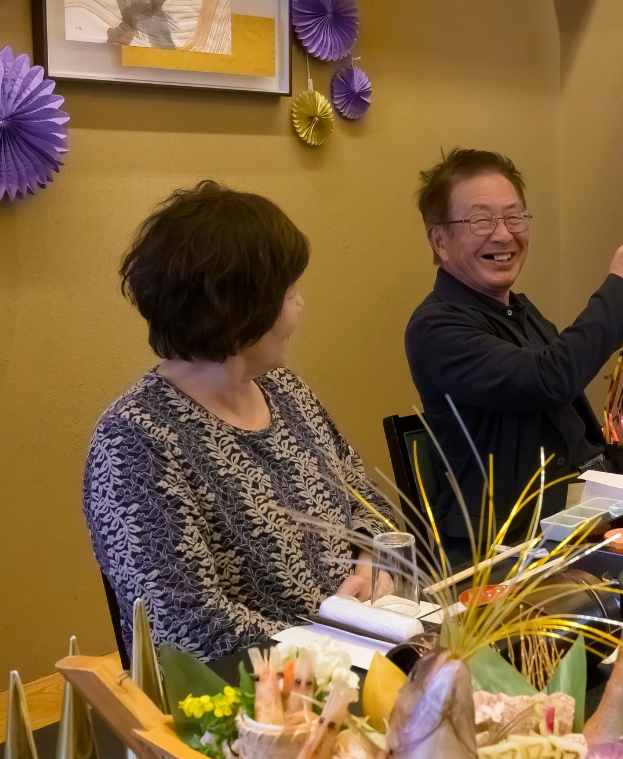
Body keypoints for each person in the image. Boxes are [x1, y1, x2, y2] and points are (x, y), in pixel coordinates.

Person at [83, 181, 395, 661]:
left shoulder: (285, 389)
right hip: (255, 693)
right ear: (236, 308)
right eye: (288, 291)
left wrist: (371, 565)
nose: (300, 305)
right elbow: (186, 629)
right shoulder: (134, 441)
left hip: (359, 652)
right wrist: (329, 636)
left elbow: (366, 500)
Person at [405, 149, 623, 560]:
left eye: (514, 217)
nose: (503, 235)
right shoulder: (436, 327)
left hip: (584, 517)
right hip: (510, 548)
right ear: (439, 240)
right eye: (481, 220)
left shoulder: (518, 311)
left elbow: (570, 425)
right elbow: (549, 380)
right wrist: (622, 285)